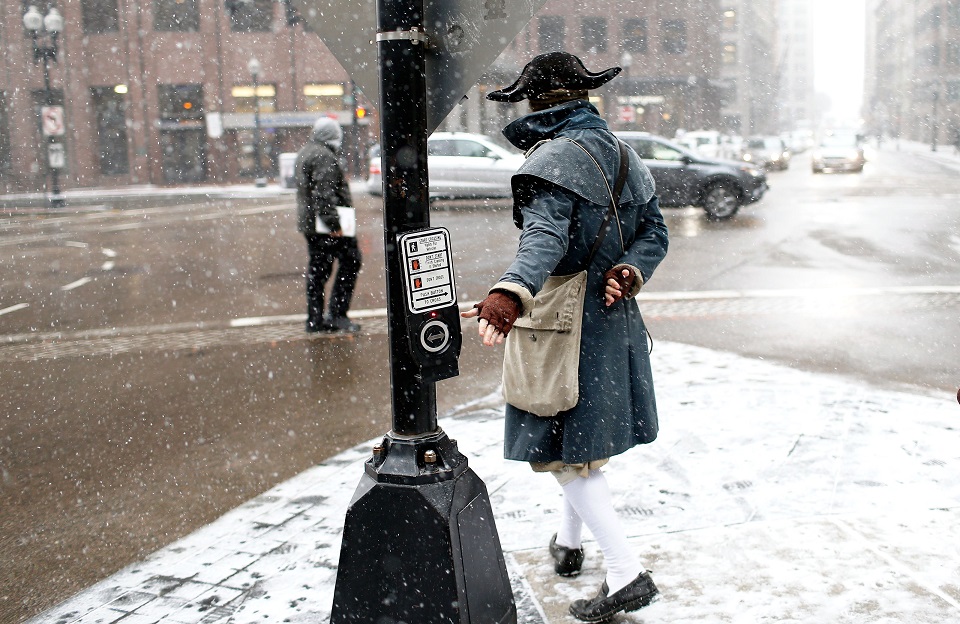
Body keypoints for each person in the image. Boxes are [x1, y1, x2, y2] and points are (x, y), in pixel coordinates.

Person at [461, 52, 669, 622]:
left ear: (534, 102)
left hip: (564, 328)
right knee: (581, 445)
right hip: (614, 324)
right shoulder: (626, 154)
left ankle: (625, 574)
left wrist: (510, 291)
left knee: (560, 452)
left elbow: (545, 238)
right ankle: (570, 543)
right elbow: (655, 232)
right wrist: (630, 270)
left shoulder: (551, 158)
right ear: (584, 96)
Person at [295, 117, 362, 333]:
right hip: (327, 225)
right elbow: (323, 194)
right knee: (351, 261)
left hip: (311, 224)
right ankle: (337, 315)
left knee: (318, 271)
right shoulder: (323, 156)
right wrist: (334, 225)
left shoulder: (306, 152)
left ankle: (314, 320)